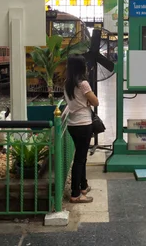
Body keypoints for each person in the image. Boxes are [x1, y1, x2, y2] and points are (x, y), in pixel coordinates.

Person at [63, 55, 99, 203]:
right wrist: (88, 102)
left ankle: (83, 186)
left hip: (72, 124)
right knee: (79, 159)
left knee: (81, 157)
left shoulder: (67, 83)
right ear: (81, 68)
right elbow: (96, 102)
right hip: (84, 124)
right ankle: (75, 194)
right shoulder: (83, 84)